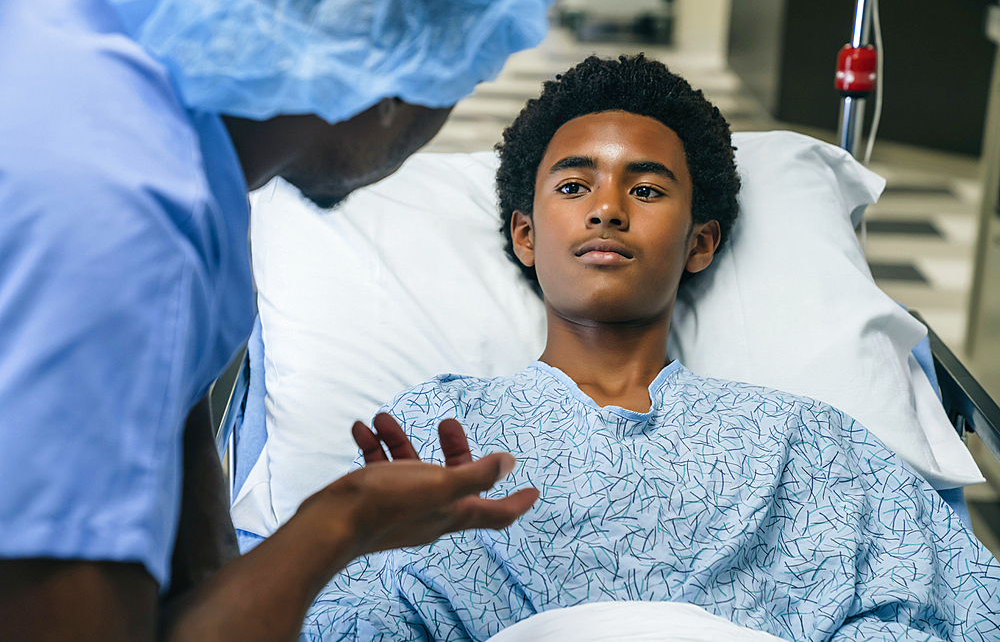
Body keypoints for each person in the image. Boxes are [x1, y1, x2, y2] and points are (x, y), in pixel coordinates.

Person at [301, 55, 1000, 641]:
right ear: (524, 235)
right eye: (575, 185)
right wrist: (353, 529)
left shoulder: (805, 439)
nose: (607, 207)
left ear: (700, 241)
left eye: (645, 188)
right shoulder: (434, 428)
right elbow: (346, 613)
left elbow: (940, 606)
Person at [0, 0, 559, 639]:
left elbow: (185, 545)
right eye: (459, 70)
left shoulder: (91, 40)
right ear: (389, 72)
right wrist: (340, 523)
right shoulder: (122, 231)